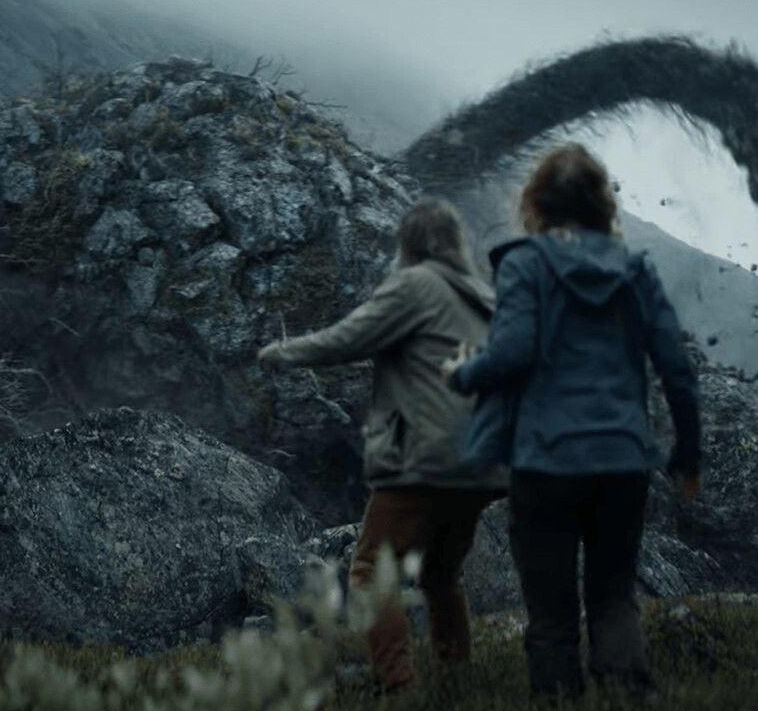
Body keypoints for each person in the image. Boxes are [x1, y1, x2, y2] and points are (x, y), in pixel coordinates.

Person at [443, 143, 702, 698]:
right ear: (602, 205)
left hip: (546, 461)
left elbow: (512, 351)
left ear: (535, 203)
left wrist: (464, 374)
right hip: (621, 460)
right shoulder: (635, 270)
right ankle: (629, 693)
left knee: (551, 611)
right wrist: (688, 447)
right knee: (613, 599)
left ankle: (559, 696)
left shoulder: (524, 264)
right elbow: (676, 368)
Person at [258, 197, 504, 690]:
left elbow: (350, 338)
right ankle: (456, 681)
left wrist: (283, 352)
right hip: (480, 463)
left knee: (371, 570)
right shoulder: (484, 298)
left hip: (423, 456)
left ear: (409, 243)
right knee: (441, 575)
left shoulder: (415, 284)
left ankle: (398, 685)